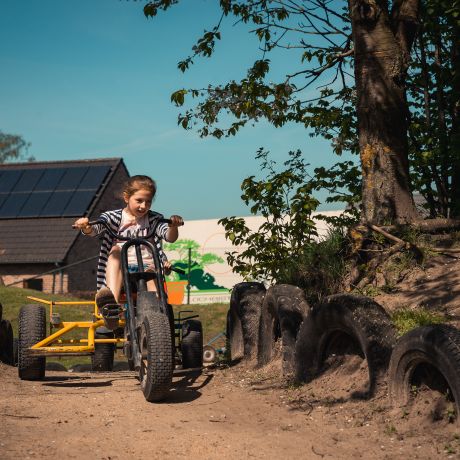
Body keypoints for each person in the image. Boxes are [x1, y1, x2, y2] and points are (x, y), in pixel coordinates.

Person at [73, 175, 183, 328]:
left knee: (154, 284)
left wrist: (173, 227)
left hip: (147, 268)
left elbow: (169, 237)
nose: (144, 206)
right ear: (126, 197)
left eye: (148, 202)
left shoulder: (154, 219)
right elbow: (97, 229)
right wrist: (86, 226)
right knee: (116, 250)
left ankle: (158, 316)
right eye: (139, 201)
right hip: (121, 272)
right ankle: (112, 306)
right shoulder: (112, 217)